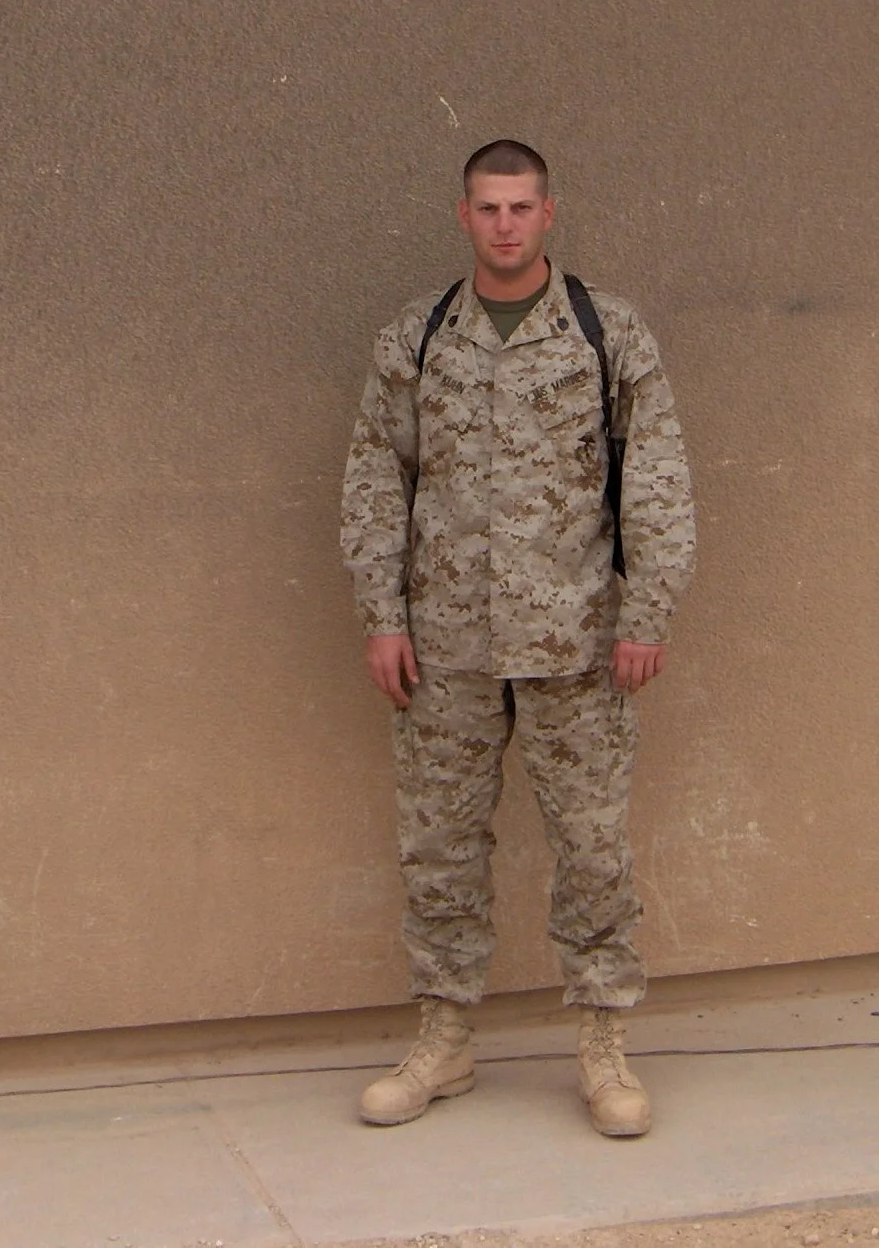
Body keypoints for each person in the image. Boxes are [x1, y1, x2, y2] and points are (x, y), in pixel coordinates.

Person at [339, 140, 695, 1137]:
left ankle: (603, 1043)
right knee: (439, 845)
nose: (504, 224)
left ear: (548, 213)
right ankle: (443, 1037)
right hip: (444, 645)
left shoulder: (603, 331)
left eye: (520, 207)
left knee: (591, 844)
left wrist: (646, 613)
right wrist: (381, 613)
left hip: (573, 640)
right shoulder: (417, 337)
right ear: (464, 215)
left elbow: (657, 477)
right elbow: (375, 477)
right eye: (488, 207)